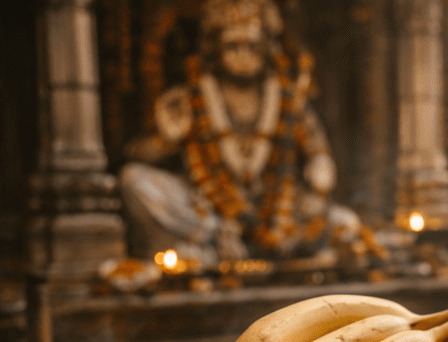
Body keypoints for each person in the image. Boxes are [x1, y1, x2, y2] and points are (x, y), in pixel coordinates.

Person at [121, 0, 358, 263]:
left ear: (266, 48)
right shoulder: (189, 99)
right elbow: (137, 154)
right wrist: (165, 140)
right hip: (209, 210)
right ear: (215, 49)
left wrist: (318, 183)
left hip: (278, 211)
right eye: (233, 46)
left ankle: (231, 251)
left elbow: (318, 152)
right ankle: (216, 243)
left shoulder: (288, 99)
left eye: (252, 46)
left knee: (345, 222)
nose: (243, 55)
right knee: (134, 181)